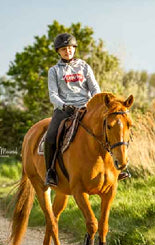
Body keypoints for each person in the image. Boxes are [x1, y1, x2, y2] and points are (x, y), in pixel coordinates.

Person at [45, 33, 129, 186]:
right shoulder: (54, 71)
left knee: (111, 130)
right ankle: (50, 171)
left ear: (74, 49)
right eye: (63, 49)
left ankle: (117, 167)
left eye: (70, 48)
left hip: (87, 108)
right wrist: (63, 106)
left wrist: (96, 105)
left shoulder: (84, 66)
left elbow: (94, 88)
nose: (67, 51)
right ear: (58, 51)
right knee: (51, 136)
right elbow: (53, 94)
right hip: (65, 109)